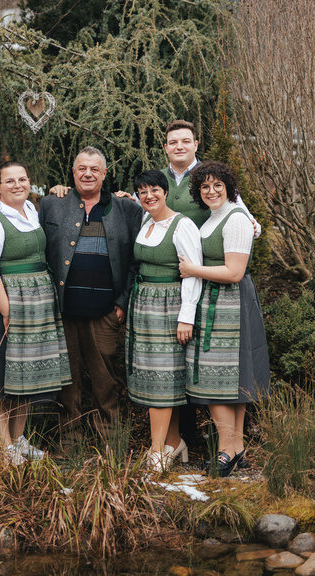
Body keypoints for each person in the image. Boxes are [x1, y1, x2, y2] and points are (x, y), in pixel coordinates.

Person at [0, 161, 71, 464]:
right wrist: (8, 311)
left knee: (23, 377)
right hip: (8, 300)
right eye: (9, 181)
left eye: (23, 179)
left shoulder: (31, 210)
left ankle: (19, 438)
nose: (17, 185)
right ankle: (2, 446)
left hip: (37, 301)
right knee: (3, 376)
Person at [39, 146, 143, 442]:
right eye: (82, 168)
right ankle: (69, 446)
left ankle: (111, 446)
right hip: (63, 311)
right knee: (66, 382)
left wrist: (122, 303)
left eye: (94, 169)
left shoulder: (126, 208)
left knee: (105, 381)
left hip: (105, 312)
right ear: (73, 173)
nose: (88, 174)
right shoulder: (51, 204)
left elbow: (137, 258)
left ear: (104, 174)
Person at [179, 160, 270, 477]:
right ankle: (236, 447)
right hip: (215, 301)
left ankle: (225, 449)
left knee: (223, 378)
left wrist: (192, 270)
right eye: (204, 186)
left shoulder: (236, 219)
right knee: (227, 378)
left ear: (229, 188)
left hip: (231, 302)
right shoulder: (213, 217)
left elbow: (234, 272)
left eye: (218, 185)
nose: (211, 191)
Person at [126, 170, 202, 472]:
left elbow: (193, 271)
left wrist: (186, 317)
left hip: (169, 305)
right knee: (151, 376)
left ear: (166, 191)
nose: (149, 196)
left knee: (162, 378)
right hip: (144, 304)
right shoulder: (146, 221)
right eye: (142, 191)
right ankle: (173, 442)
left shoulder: (182, 225)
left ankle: (157, 449)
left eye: (155, 190)